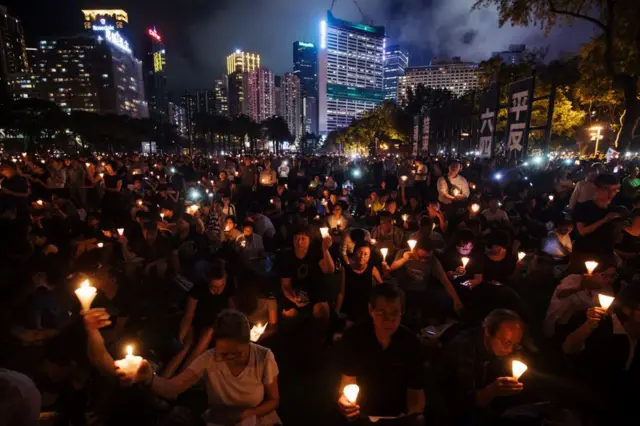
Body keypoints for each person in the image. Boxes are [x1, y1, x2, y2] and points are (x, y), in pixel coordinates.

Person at [121, 310, 281, 426]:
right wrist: (149, 378)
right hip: (220, 421)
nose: (228, 358)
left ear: (249, 343)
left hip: (258, 418)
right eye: (224, 353)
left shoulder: (263, 357)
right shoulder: (209, 359)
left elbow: (273, 400)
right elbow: (173, 388)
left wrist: (248, 414)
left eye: (237, 353)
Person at [338, 284, 425, 422]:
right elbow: (348, 381)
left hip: (397, 416)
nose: (389, 319)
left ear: (402, 313)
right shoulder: (354, 337)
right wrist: (345, 402)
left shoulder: (411, 343)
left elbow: (416, 394)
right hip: (362, 414)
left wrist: (411, 417)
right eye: (382, 312)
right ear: (371, 310)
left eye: (395, 313)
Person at [436, 309, 526, 424]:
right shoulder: (464, 348)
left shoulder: (500, 350)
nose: (510, 350)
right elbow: (465, 402)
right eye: (507, 343)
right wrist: (492, 391)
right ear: (488, 331)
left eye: (515, 345)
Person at [164, 259, 234, 378]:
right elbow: (189, 314)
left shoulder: (229, 288)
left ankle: (179, 379)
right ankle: (163, 379)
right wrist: (181, 336)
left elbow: (232, 311)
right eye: (215, 287)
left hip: (213, 325)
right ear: (208, 282)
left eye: (222, 285)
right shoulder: (199, 288)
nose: (219, 290)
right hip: (196, 322)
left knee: (207, 335)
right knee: (185, 347)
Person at [544, 261, 616, 338]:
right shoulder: (574, 279)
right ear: (592, 273)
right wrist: (580, 287)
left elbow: (609, 311)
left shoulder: (607, 290)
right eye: (604, 275)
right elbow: (560, 294)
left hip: (584, 324)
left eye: (612, 276)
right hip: (562, 319)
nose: (609, 280)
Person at [278, 225, 335, 320]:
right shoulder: (287, 257)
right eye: (296, 238)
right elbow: (285, 285)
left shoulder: (315, 252)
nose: (299, 242)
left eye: (303, 239)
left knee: (321, 311)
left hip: (316, 294)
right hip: (297, 294)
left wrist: (325, 250)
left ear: (309, 240)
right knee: (288, 315)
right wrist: (293, 299)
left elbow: (329, 270)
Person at [571, 173, 621, 271]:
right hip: (585, 254)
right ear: (596, 188)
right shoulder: (584, 207)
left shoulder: (614, 210)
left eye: (614, 190)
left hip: (605, 255)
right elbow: (582, 231)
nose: (611, 194)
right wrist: (604, 220)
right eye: (606, 190)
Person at [337, 243, 383, 325]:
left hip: (366, 307)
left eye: (366, 254)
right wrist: (336, 312)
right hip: (350, 307)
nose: (362, 256)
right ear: (355, 253)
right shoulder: (346, 269)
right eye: (360, 253)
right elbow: (341, 293)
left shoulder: (372, 269)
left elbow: (382, 287)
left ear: (369, 257)